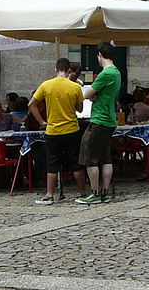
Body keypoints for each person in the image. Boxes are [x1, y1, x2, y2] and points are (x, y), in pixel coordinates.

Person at [29, 58, 87, 205]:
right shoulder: (74, 87)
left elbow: (32, 104)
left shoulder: (46, 85)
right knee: (76, 162)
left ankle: (49, 194)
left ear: (56, 69)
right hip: (72, 129)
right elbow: (80, 109)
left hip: (53, 130)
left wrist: (42, 122)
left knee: (52, 163)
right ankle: (83, 192)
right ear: (68, 71)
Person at [76, 42, 121, 204]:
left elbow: (88, 93)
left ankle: (94, 192)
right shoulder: (116, 72)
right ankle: (105, 191)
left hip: (99, 119)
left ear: (100, 55)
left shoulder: (105, 73)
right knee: (105, 157)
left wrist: (92, 94)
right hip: (110, 119)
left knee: (89, 156)